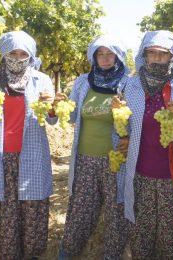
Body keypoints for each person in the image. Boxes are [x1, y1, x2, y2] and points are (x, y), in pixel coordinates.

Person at [122, 30, 173, 259]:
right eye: (151, 53)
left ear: (172, 57)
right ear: (144, 55)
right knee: (141, 239)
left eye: (163, 54)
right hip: (140, 179)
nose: (156, 58)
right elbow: (127, 127)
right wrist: (120, 123)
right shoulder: (132, 85)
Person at [58, 35, 129, 259]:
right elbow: (71, 115)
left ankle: (112, 255)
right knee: (80, 209)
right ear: (94, 57)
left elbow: (134, 120)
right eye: (101, 54)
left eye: (110, 54)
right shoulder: (83, 81)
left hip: (116, 161)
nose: (105, 59)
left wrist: (126, 128)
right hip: (85, 159)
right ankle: (67, 252)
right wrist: (59, 105)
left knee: (115, 212)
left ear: (118, 57)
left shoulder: (129, 83)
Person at [0, 30, 55, 260]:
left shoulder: (42, 80)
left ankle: (33, 255)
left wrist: (52, 106)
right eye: (12, 52)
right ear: (4, 54)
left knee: (34, 207)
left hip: (33, 153)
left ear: (30, 54)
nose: (17, 57)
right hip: (5, 156)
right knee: (9, 210)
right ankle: (10, 255)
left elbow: (53, 119)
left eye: (22, 53)